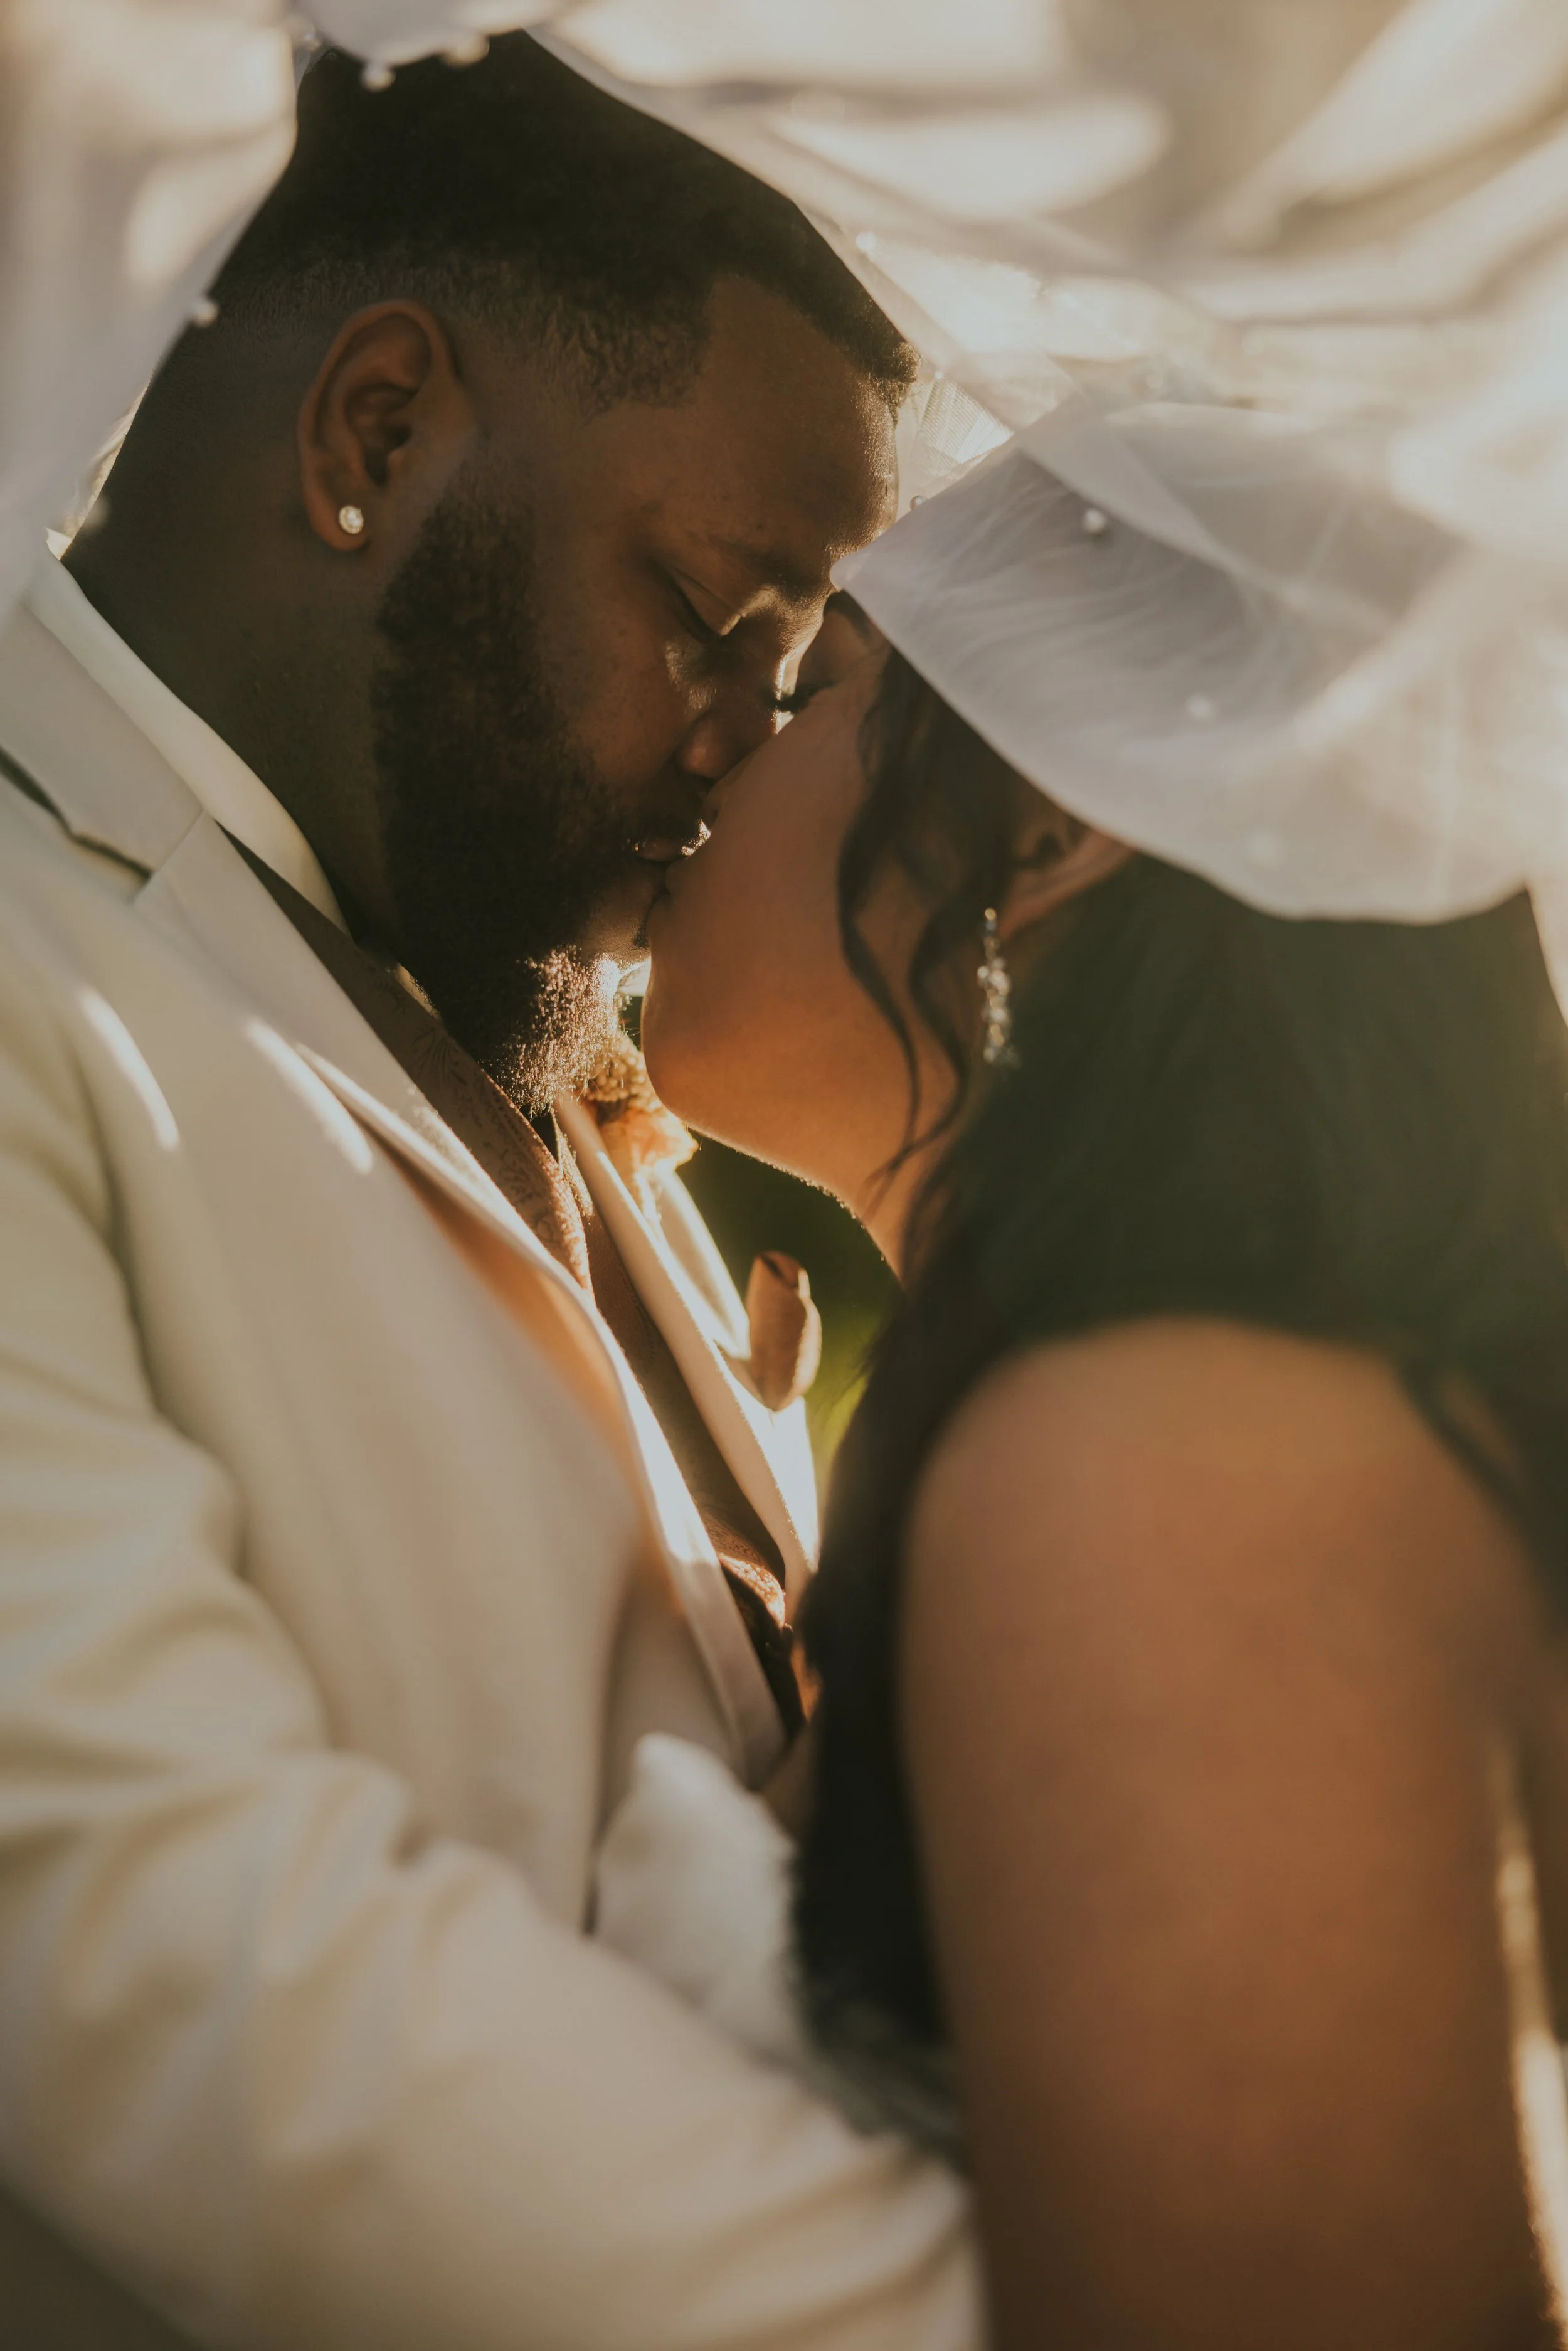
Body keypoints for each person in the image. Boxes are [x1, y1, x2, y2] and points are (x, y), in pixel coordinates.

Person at [0, 34, 985, 2350]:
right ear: (373, 437)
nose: (747, 748)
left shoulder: (524, 995)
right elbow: (168, 1941)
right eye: (720, 618)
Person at [628, 427, 1568, 2348]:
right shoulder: (1183, 1408)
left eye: (829, 684)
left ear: (1050, 827)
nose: (724, 741)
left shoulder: (1175, 1473)